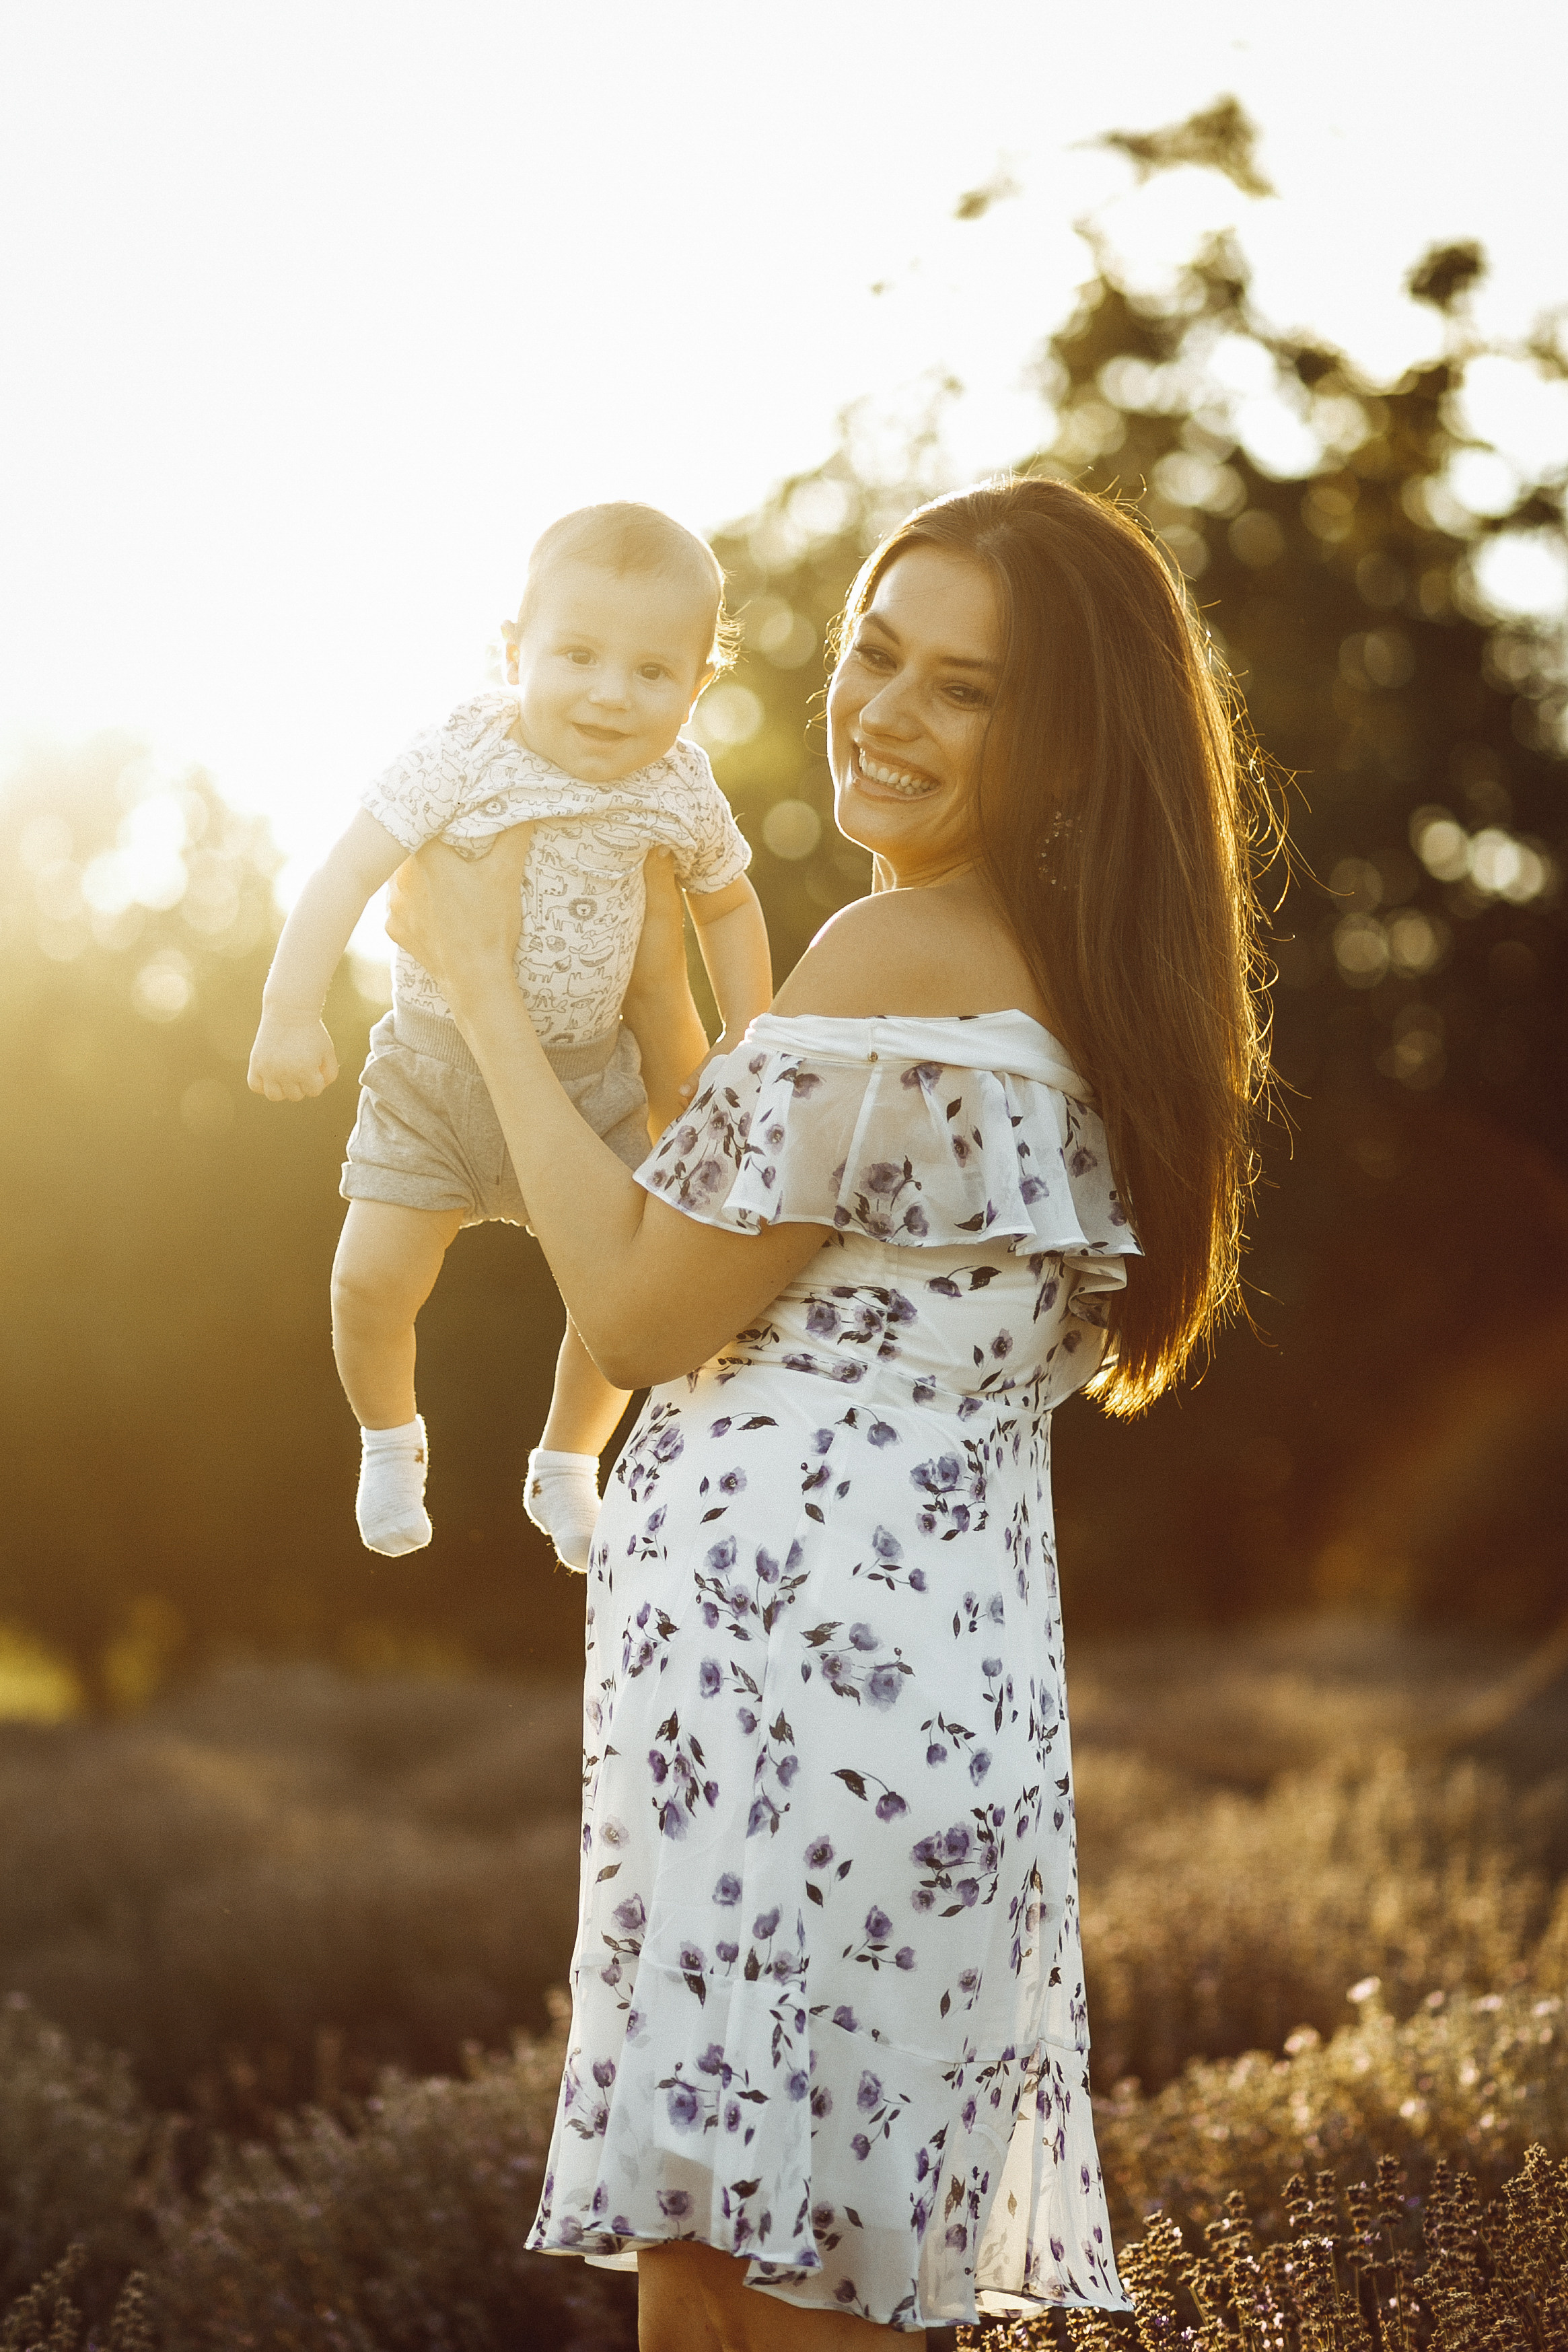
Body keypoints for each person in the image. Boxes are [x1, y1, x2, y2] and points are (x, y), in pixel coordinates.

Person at [386, 475, 1269, 2344]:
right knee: (735, 2307)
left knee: (746, 2313)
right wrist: (653, 995)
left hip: (807, 1762)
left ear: (1070, 746)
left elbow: (631, 1301)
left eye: (965, 688)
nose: (881, 710)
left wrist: (469, 981)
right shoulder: (1060, 981)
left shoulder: (901, 957)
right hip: (877, 1740)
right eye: (876, 652)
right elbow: (766, 1221)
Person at [247, 503, 773, 1566]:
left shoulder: (678, 786)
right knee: (367, 1281)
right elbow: (348, 868)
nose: (610, 695)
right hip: (433, 1076)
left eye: (652, 672)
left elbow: (727, 904)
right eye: (577, 655)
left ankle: (568, 1465)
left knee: (624, 1294)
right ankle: (390, 1443)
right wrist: (287, 1011)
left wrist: (750, 1034)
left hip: (590, 1086)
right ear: (513, 650)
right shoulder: (461, 751)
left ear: (700, 684)